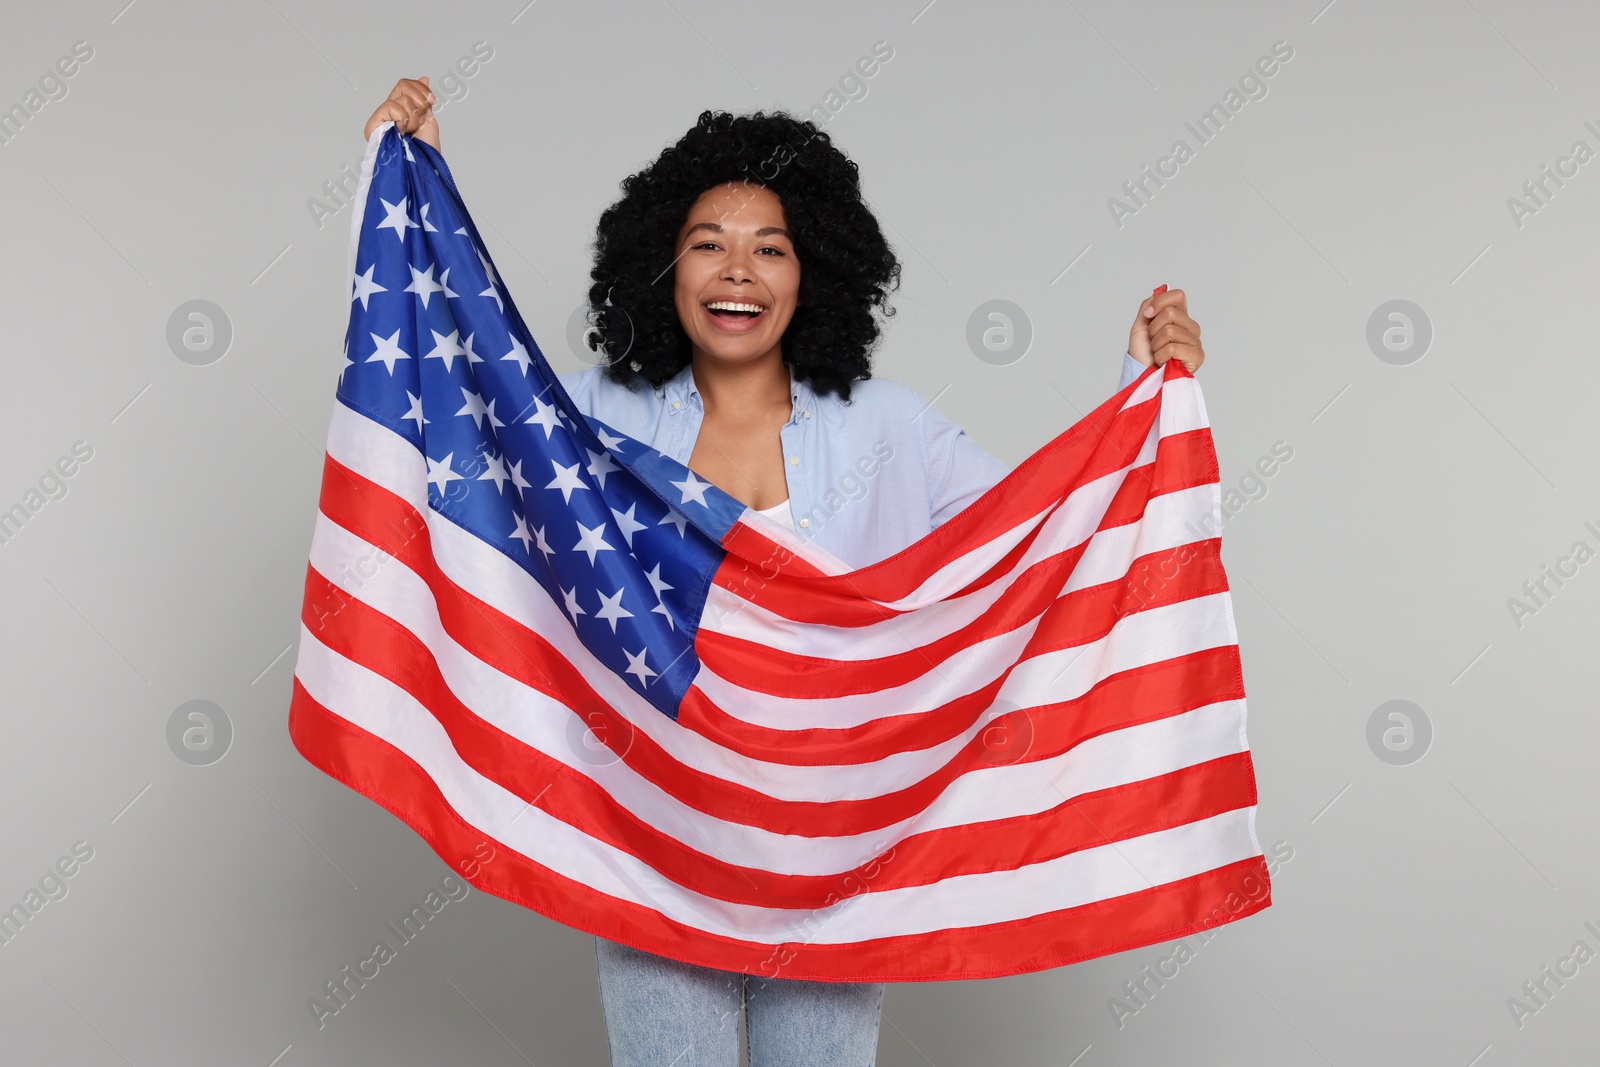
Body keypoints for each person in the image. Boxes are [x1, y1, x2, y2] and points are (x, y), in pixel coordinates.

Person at [365, 77, 1207, 1067]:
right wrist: (417, 186)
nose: (739, 269)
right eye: (708, 241)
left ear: (813, 273)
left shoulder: (890, 426)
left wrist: (1140, 389)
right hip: (657, 853)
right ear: (661, 265)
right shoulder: (591, 419)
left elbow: (1046, 543)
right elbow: (459, 399)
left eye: (770, 245)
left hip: (833, 865)